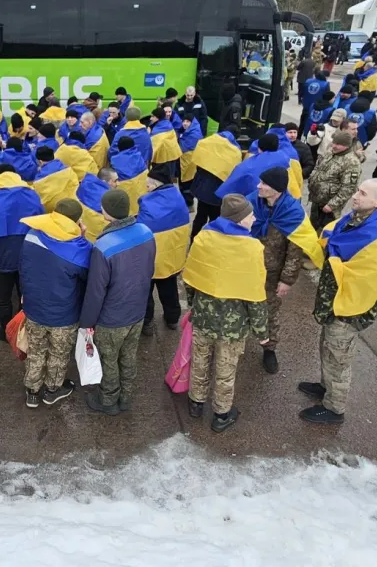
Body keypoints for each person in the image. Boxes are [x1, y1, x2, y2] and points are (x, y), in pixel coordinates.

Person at [298, 179, 377, 424]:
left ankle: (334, 407)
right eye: (357, 191)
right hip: (336, 300)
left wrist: (329, 252)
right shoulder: (360, 218)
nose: (355, 196)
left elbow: (366, 272)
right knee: (328, 346)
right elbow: (336, 233)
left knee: (338, 356)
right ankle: (325, 386)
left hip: (349, 308)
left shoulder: (376, 232)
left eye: (362, 193)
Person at [181, 193, 269, 432]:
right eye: (250, 215)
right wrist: (262, 331)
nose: (254, 219)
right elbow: (255, 296)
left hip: (203, 318)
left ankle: (196, 402)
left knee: (199, 361)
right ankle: (221, 413)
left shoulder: (204, 237)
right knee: (225, 370)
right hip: (234, 327)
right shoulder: (251, 248)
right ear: (240, 219)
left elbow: (191, 277)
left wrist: (193, 305)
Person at [79, 189, 155, 415]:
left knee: (109, 359)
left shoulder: (103, 246)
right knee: (129, 355)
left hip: (112, 317)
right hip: (137, 310)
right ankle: (126, 396)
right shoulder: (146, 232)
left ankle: (108, 400)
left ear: (107, 213)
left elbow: (96, 291)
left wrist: (87, 322)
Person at [18, 200, 92, 408]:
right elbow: (87, 276)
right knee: (58, 354)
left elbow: (23, 267)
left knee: (36, 349)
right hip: (64, 314)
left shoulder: (31, 235)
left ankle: (32, 390)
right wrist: (82, 237)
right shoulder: (81, 249)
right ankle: (52, 390)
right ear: (77, 222)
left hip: (34, 308)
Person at [252, 167, 324, 373]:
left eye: (264, 184)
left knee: (269, 312)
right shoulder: (251, 203)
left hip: (272, 275)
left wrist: (287, 280)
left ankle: (269, 348)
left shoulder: (292, 213)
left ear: (276, 189)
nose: (258, 186)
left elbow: (295, 252)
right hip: (248, 271)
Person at [0, 164, 44, 340]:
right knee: (26, 294)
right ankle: (23, 330)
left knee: (4, 296)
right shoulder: (32, 194)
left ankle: (7, 331)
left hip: (2, 254)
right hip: (28, 252)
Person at [137, 166, 190, 337]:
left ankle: (147, 322)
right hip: (172, 257)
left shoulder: (147, 203)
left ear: (155, 184)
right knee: (169, 288)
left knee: (145, 292)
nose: (146, 188)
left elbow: (141, 229)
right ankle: (172, 319)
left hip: (151, 259)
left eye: (148, 185)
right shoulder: (178, 198)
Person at [190, 126, 243, 237]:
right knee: (215, 220)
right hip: (218, 194)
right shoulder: (235, 151)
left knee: (200, 216)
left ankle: (194, 241)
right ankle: (210, 241)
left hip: (202, 189)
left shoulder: (208, 142)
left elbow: (198, 162)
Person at [33, 146, 80, 212]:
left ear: (40, 162)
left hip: (58, 209)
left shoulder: (39, 179)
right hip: (75, 203)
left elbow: (41, 200)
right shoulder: (67, 168)